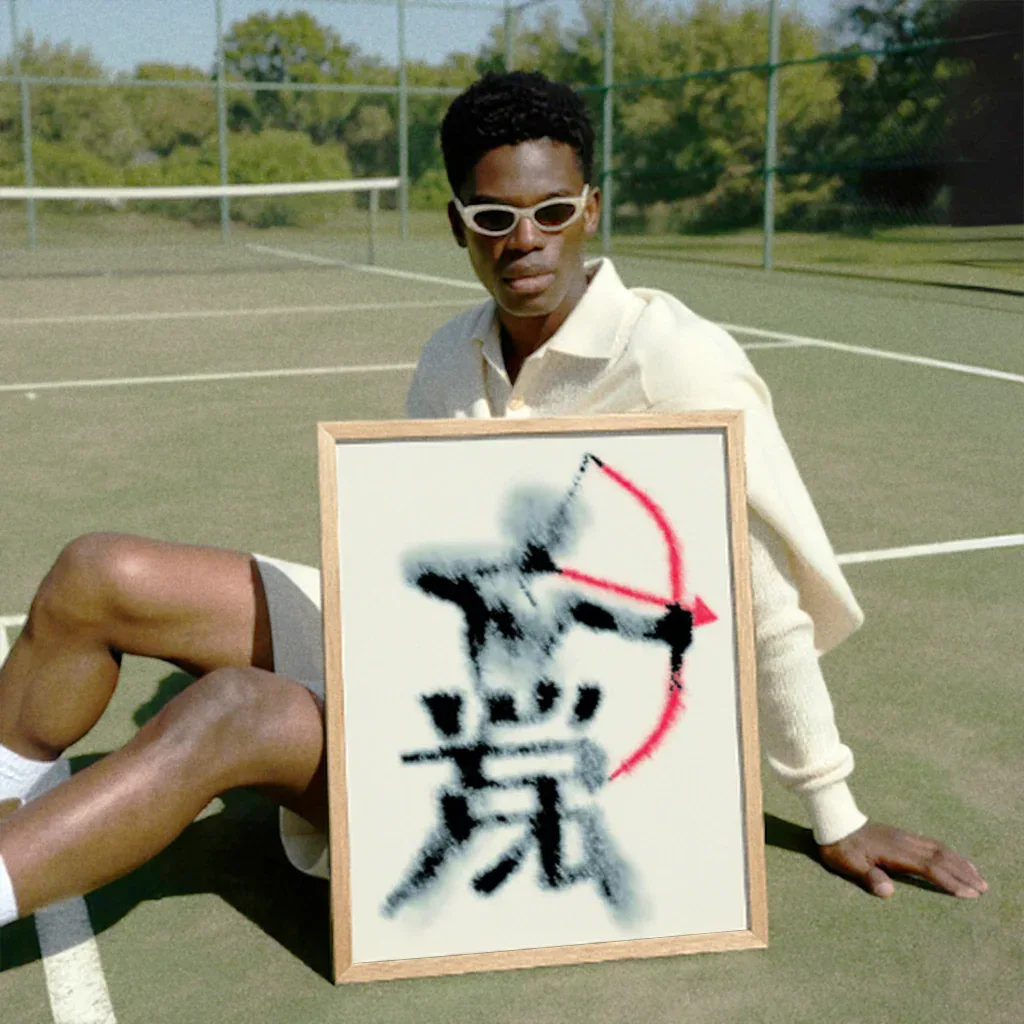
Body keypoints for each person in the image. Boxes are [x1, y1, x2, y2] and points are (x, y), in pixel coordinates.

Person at [0, 72, 986, 932]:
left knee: (229, 713)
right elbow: (416, 559)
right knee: (98, 574)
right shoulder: (449, 354)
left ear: (589, 210)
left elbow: (765, 603)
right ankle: (11, 810)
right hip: (443, 670)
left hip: (552, 757)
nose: (527, 240)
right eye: (495, 217)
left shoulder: (674, 360)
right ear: (459, 224)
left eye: (553, 212)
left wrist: (835, 808)